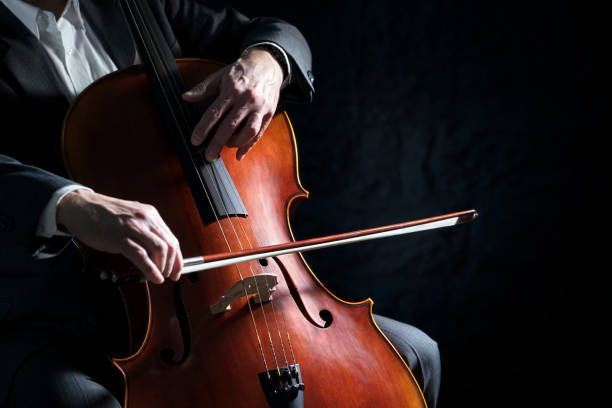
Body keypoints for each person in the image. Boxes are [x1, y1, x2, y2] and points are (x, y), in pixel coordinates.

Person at [0, 0, 440, 406]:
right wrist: (70, 203)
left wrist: (267, 62)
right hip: (62, 314)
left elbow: (276, 32)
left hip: (217, 295)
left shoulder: (135, 6)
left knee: (417, 353)